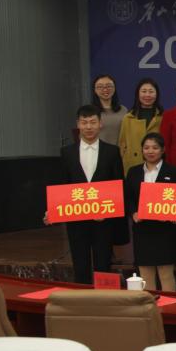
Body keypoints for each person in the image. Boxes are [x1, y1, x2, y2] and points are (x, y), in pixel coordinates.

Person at [49, 105, 124, 284]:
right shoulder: (67, 152)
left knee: (103, 264)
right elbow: (63, 184)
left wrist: (110, 211)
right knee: (80, 263)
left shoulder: (112, 151)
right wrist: (52, 209)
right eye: (84, 122)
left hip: (104, 220)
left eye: (92, 122)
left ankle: (106, 297)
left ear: (100, 124)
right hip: (76, 219)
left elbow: (119, 184)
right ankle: (81, 297)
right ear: (78, 124)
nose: (88, 127)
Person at [125, 132, 176, 292]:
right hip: (143, 229)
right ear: (142, 150)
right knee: (145, 273)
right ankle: (148, 305)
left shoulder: (174, 172)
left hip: (166, 230)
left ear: (163, 150)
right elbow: (128, 197)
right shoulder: (133, 172)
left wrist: (175, 214)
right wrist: (133, 212)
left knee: (166, 273)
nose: (150, 151)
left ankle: (169, 305)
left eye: (155, 148)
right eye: (146, 147)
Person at [118, 78, 163, 176]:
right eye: (144, 91)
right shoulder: (128, 118)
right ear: (138, 94)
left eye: (151, 91)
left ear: (156, 94)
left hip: (157, 164)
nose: (147, 95)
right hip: (133, 164)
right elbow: (122, 144)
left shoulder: (163, 117)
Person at [91, 74, 127, 146]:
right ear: (95, 90)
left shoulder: (123, 110)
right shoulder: (90, 111)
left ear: (114, 88)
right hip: (98, 151)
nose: (105, 89)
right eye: (100, 87)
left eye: (109, 86)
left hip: (119, 151)